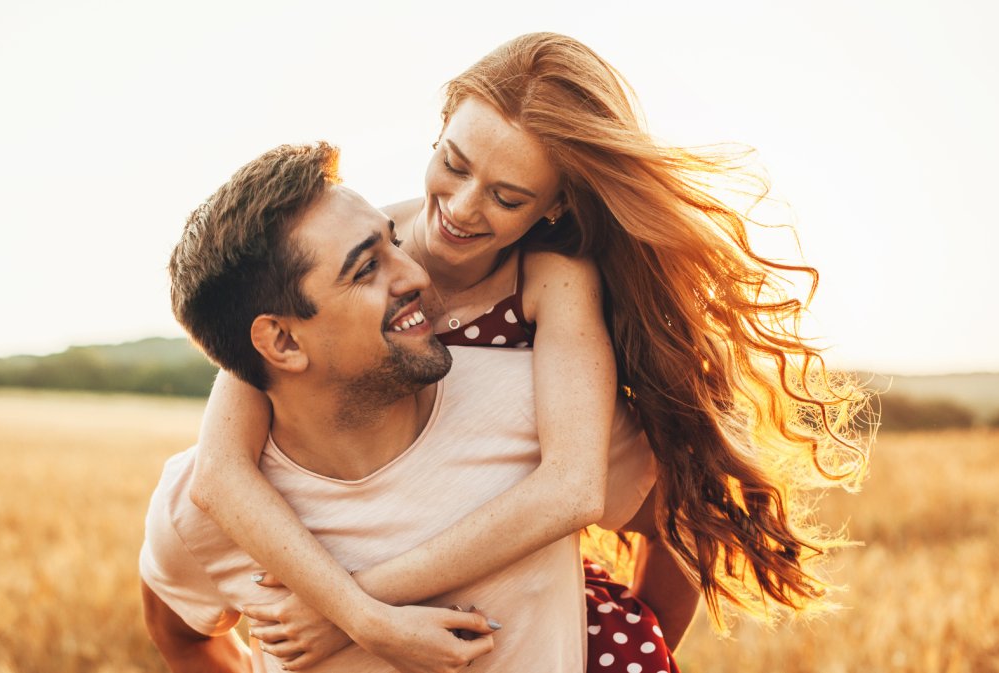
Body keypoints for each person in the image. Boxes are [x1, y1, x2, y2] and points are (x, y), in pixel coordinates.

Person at [188, 32, 869, 672]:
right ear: (441, 125)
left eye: (507, 197)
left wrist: (355, 608)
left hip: (532, 617)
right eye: (452, 164)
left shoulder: (552, 280)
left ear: (553, 205)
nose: (458, 207)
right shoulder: (348, 258)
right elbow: (219, 469)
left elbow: (573, 489)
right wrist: (361, 614)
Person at [141, 141, 667, 673]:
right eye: (367, 268)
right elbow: (182, 637)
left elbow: (676, 524)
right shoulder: (198, 507)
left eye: (395, 240)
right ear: (282, 343)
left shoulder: (536, 408)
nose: (418, 275)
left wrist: (629, 654)